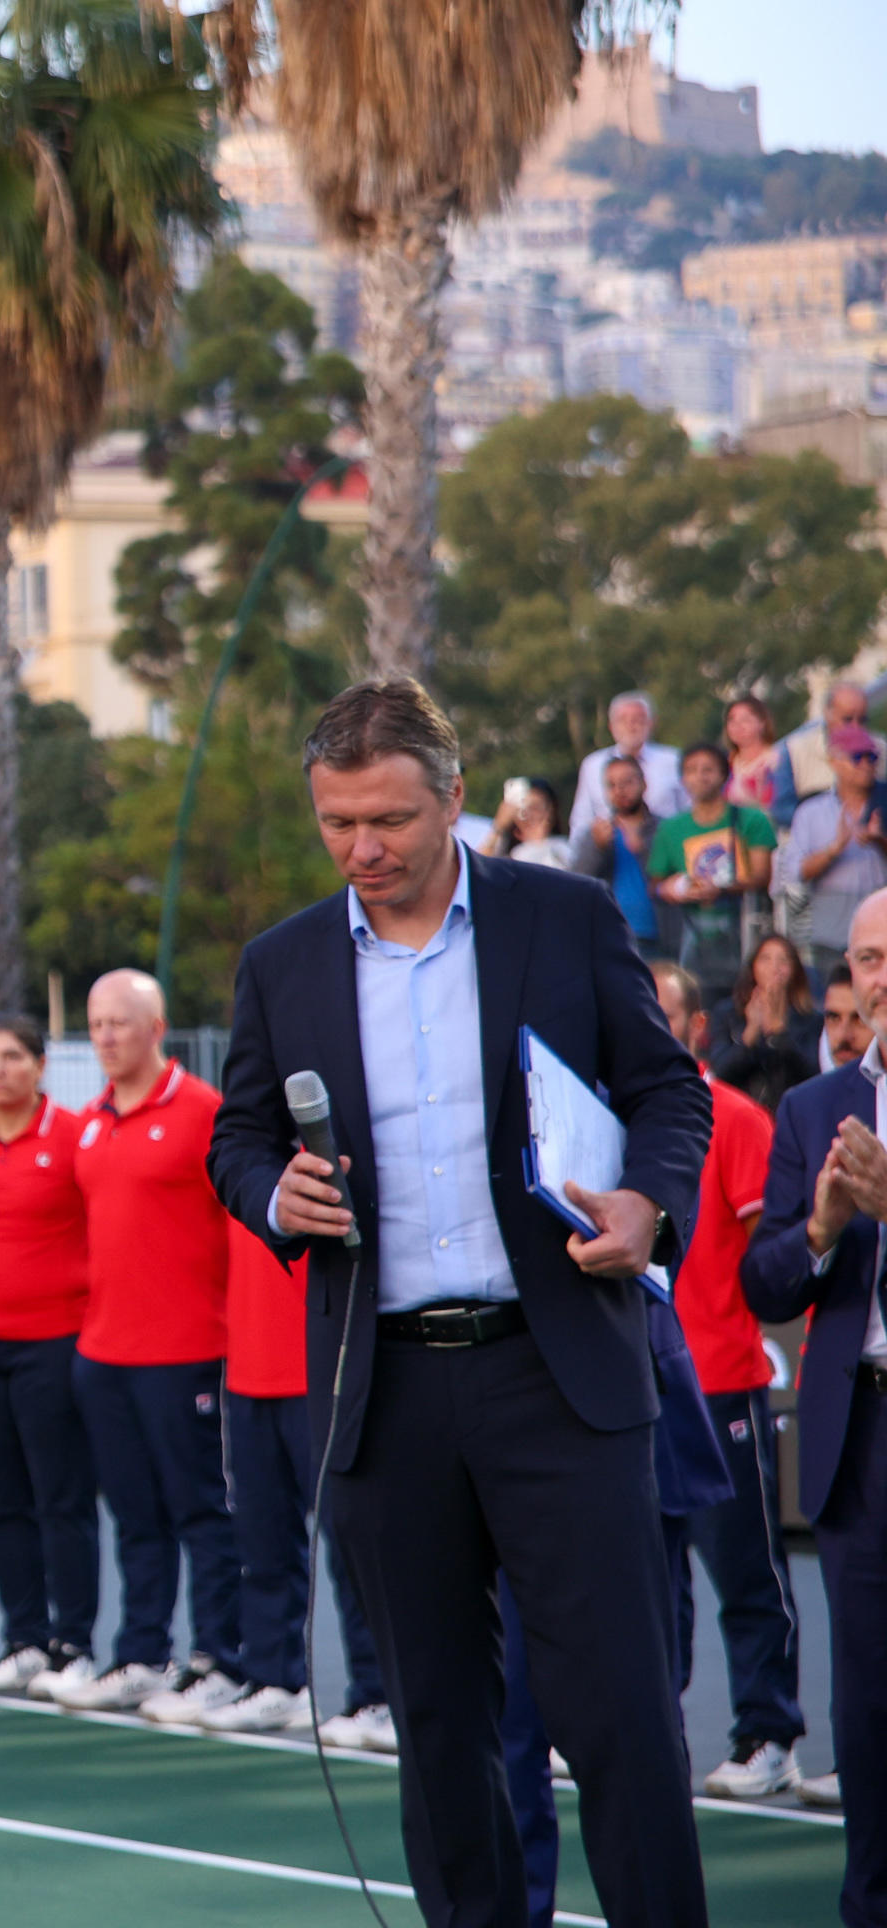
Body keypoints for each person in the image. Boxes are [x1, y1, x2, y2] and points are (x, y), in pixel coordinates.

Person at [207, 677, 714, 1928]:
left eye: (388, 819)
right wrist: (274, 1194)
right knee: (438, 1730)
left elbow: (669, 1091)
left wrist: (648, 1205)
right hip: (384, 1394)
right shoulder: (281, 962)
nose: (362, 849)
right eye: (337, 822)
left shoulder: (566, 916)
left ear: (454, 798)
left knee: (621, 1719)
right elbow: (238, 1138)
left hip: (560, 1376)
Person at [49, 970, 245, 1720]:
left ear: (157, 1029)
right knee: (134, 1515)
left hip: (188, 1350)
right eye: (95, 1023)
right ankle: (141, 1655)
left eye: (119, 1022)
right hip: (104, 1354)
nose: (104, 1036)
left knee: (202, 1513)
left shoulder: (203, 1112)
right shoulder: (89, 1122)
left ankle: (220, 1659)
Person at [746, 883, 887, 1909]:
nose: (882, 979)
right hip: (861, 1433)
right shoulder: (812, 1106)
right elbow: (763, 1282)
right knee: (868, 1704)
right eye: (870, 959)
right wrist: (823, 1230)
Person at [646, 962, 809, 1801]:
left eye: (661, 1012)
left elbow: (767, 1256)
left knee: (745, 1571)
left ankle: (768, 1733)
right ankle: (651, 1729)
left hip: (719, 1385)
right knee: (647, 1577)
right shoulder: (617, 1121)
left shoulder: (736, 1119)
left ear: (697, 1027)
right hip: (638, 1389)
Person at [217, 1048, 394, 1748]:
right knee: (262, 1542)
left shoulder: (344, 1148)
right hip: (249, 1373)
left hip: (327, 1372)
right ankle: (275, 1681)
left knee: (352, 1547)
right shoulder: (237, 1153)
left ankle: (378, 1693)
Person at [0, 1013, 100, 1698]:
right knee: (1, 1500)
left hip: (54, 1343)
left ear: (40, 1066)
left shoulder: (75, 1136)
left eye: (11, 1056)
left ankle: (74, 1645)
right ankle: (24, 1640)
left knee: (61, 1498)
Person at [648, 741, 774, 982]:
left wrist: (721, 889)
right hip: (691, 938)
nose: (700, 777)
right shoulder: (670, 829)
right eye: (691, 770)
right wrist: (677, 889)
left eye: (708, 769)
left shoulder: (751, 819)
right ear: (682, 778)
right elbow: (655, 884)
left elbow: (762, 876)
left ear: (724, 775)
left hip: (743, 934)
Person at [786, 722, 887, 984]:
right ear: (835, 762)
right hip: (830, 934)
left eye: (872, 757)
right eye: (857, 757)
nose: (866, 764)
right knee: (832, 1001)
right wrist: (833, 850)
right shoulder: (811, 812)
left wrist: (879, 842)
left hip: (881, 935)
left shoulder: (884, 803)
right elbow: (797, 872)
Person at [709, 932, 820, 1112]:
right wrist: (750, 1034)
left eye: (783, 960)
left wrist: (778, 1034)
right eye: (765, 959)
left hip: (790, 1111)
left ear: (794, 970)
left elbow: (812, 1074)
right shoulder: (727, 1013)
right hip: (743, 1112)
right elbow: (720, 1073)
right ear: (753, 966)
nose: (774, 968)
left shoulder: (811, 1019)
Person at [566, 688, 682, 855]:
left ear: (652, 723)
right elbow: (581, 820)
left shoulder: (674, 760)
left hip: (666, 849)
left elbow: (689, 809)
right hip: (611, 854)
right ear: (611, 726)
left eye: (638, 719)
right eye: (623, 720)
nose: (631, 725)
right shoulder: (593, 765)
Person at [576, 750, 666, 956]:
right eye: (612, 785)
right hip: (612, 936)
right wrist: (598, 848)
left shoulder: (664, 829)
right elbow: (578, 880)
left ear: (644, 784)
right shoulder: (596, 833)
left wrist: (642, 848)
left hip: (661, 936)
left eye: (627, 782)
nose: (620, 790)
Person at [774, 677, 869, 827]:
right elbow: (781, 811)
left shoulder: (880, 749)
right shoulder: (793, 751)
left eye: (862, 720)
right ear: (827, 714)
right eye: (847, 719)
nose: (855, 727)